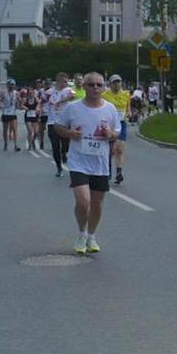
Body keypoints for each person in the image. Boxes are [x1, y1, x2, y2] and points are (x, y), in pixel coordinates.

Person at [56, 72, 121, 254]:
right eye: (91, 84)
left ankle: (92, 235)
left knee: (97, 202)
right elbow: (58, 126)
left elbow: (117, 131)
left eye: (99, 85)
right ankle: (81, 233)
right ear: (84, 86)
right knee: (83, 201)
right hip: (78, 162)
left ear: (104, 87)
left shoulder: (110, 109)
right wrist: (70, 134)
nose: (95, 88)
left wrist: (110, 134)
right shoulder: (73, 108)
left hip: (100, 162)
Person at [102, 75, 131, 184]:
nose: (117, 84)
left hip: (121, 123)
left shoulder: (126, 94)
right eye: (114, 82)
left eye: (118, 82)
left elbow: (127, 108)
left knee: (120, 149)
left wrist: (128, 113)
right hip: (109, 124)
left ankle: (119, 173)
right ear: (110, 84)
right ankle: (107, 170)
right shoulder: (104, 95)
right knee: (111, 150)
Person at [46, 72, 75, 177]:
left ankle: (64, 153)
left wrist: (60, 100)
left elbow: (73, 96)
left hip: (65, 123)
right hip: (52, 122)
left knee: (66, 144)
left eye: (67, 81)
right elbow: (44, 100)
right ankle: (59, 168)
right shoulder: (49, 92)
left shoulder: (68, 90)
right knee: (55, 146)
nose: (66, 83)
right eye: (65, 82)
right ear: (59, 81)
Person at [0, 79, 20, 151]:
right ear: (7, 85)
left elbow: (19, 102)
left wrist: (18, 102)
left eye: (13, 85)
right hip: (5, 113)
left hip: (13, 113)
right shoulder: (4, 92)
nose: (12, 86)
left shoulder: (16, 93)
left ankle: (16, 145)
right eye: (11, 85)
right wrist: (0, 105)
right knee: (5, 130)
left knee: (14, 129)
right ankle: (5, 143)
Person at [21, 83, 42, 150]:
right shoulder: (26, 99)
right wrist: (25, 108)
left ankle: (33, 141)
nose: (31, 94)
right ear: (28, 94)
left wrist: (37, 108)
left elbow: (39, 104)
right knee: (30, 131)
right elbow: (21, 106)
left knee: (36, 132)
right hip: (28, 117)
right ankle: (29, 145)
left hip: (35, 116)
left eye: (32, 93)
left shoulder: (36, 99)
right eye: (30, 93)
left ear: (34, 93)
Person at [37, 79, 49, 150]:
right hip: (43, 112)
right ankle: (41, 141)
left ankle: (54, 142)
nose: (47, 85)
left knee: (52, 130)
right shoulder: (41, 91)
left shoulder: (52, 91)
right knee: (41, 129)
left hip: (50, 113)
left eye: (48, 84)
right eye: (46, 84)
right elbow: (38, 100)